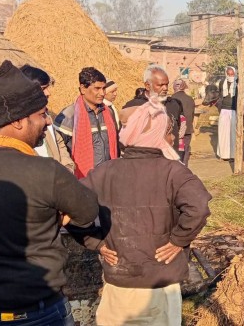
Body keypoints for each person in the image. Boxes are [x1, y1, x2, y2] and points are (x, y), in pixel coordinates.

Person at [0, 61, 100, 326]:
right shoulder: (45, 171)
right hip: (37, 312)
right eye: (41, 114)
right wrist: (57, 215)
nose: (48, 121)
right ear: (17, 121)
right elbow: (88, 211)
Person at [82, 98, 210, 325]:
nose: (172, 138)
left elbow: (70, 207)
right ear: (156, 135)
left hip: (119, 281)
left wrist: (96, 242)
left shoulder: (104, 172)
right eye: (168, 132)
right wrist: (178, 240)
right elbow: (198, 207)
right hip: (161, 284)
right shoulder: (175, 172)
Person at [54, 67, 119, 178]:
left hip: (107, 177)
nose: (102, 93)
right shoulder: (69, 115)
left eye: (104, 88)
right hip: (81, 179)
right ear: (83, 88)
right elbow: (57, 149)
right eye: (97, 88)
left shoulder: (108, 112)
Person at [20, 65, 75, 172]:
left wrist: (67, 167)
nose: (48, 93)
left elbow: (58, 141)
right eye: (43, 89)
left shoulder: (46, 114)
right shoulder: (19, 121)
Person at [121, 65, 183, 152]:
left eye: (167, 84)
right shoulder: (133, 107)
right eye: (160, 85)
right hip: (144, 158)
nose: (165, 88)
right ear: (147, 85)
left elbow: (178, 130)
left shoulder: (174, 105)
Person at [171, 77, 195, 165]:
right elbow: (192, 115)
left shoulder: (171, 99)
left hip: (175, 130)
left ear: (174, 87)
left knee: (175, 151)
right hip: (188, 129)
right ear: (184, 86)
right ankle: (184, 167)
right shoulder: (190, 99)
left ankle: (176, 168)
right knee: (186, 149)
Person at [216, 66, 238, 160]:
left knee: (233, 133)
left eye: (232, 74)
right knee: (223, 132)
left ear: (235, 74)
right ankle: (223, 155)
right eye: (228, 74)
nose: (230, 76)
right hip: (224, 110)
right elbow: (220, 96)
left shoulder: (238, 83)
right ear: (226, 74)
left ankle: (233, 155)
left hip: (234, 110)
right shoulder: (222, 83)